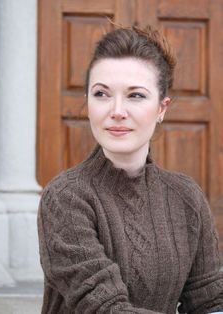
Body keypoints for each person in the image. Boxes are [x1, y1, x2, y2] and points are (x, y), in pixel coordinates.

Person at [37, 25, 223, 314]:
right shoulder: (65, 197)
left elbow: (209, 301)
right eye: (101, 94)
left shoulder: (186, 198)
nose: (117, 110)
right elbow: (104, 308)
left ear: (162, 108)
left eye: (135, 95)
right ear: (87, 103)